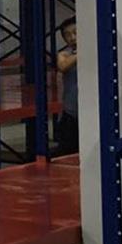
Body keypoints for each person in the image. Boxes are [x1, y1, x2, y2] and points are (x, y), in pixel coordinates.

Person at [54, 17, 79, 156]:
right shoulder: (64, 55)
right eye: (68, 35)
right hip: (70, 112)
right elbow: (63, 66)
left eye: (76, 32)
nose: (72, 38)